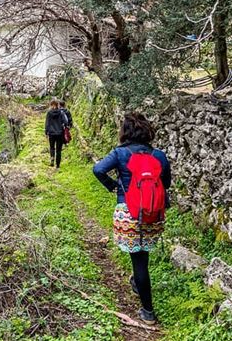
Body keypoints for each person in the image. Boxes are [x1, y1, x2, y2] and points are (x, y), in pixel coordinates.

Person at [92, 112, 171, 325]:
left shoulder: (120, 153)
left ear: (125, 131)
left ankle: (148, 311)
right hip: (153, 213)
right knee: (142, 257)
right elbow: (167, 184)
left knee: (138, 261)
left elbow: (98, 169)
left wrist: (114, 186)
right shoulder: (159, 155)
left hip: (128, 212)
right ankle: (138, 285)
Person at [44, 99, 69, 168]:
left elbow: (47, 123)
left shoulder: (49, 113)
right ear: (58, 105)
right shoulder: (61, 112)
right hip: (60, 133)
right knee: (58, 150)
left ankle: (52, 159)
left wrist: (46, 132)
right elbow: (66, 122)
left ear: (51, 105)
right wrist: (63, 125)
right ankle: (57, 165)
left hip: (51, 133)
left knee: (52, 147)